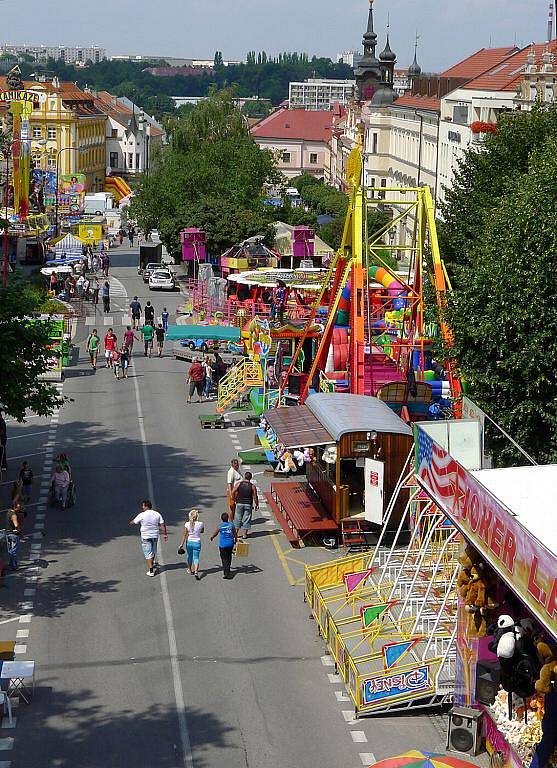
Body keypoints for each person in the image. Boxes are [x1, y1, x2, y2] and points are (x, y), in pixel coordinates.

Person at [129, 500, 167, 577]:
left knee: (148, 553)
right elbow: (162, 524)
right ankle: (152, 564)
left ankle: (151, 570)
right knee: (153, 551)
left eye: (143, 506)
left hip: (146, 536)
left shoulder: (142, 515)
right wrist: (165, 534)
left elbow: (134, 522)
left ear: (146, 506)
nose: (142, 507)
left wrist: (131, 522)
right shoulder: (157, 514)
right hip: (155, 535)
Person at [178, 508, 205, 580]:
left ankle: (189, 569)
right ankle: (196, 572)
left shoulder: (187, 524)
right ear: (197, 516)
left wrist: (181, 544)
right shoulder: (201, 524)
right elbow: (202, 531)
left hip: (189, 542)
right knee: (196, 558)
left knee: (190, 556)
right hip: (197, 542)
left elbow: (184, 535)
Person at [210, 512, 237, 579]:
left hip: (223, 545)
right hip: (230, 544)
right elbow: (235, 533)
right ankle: (228, 568)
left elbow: (215, 533)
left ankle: (226, 573)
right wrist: (236, 539)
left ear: (221, 519)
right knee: (229, 556)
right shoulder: (231, 525)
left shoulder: (220, 526)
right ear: (227, 518)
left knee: (224, 559)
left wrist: (212, 537)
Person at [232, 471, 259, 539]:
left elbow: (233, 491)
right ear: (251, 478)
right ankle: (244, 534)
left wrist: (234, 498)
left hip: (239, 503)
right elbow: (255, 496)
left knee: (238, 518)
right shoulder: (252, 486)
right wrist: (257, 504)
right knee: (246, 519)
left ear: (244, 477)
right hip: (248, 504)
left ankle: (236, 534)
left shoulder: (239, 484)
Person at [6, 501, 25, 570]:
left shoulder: (9, 512)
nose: (19, 509)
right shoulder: (14, 515)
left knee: (10, 550)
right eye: (18, 508)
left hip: (8, 534)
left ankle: (11, 564)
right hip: (14, 535)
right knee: (13, 551)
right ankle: (14, 565)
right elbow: (16, 525)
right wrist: (19, 531)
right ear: (14, 507)